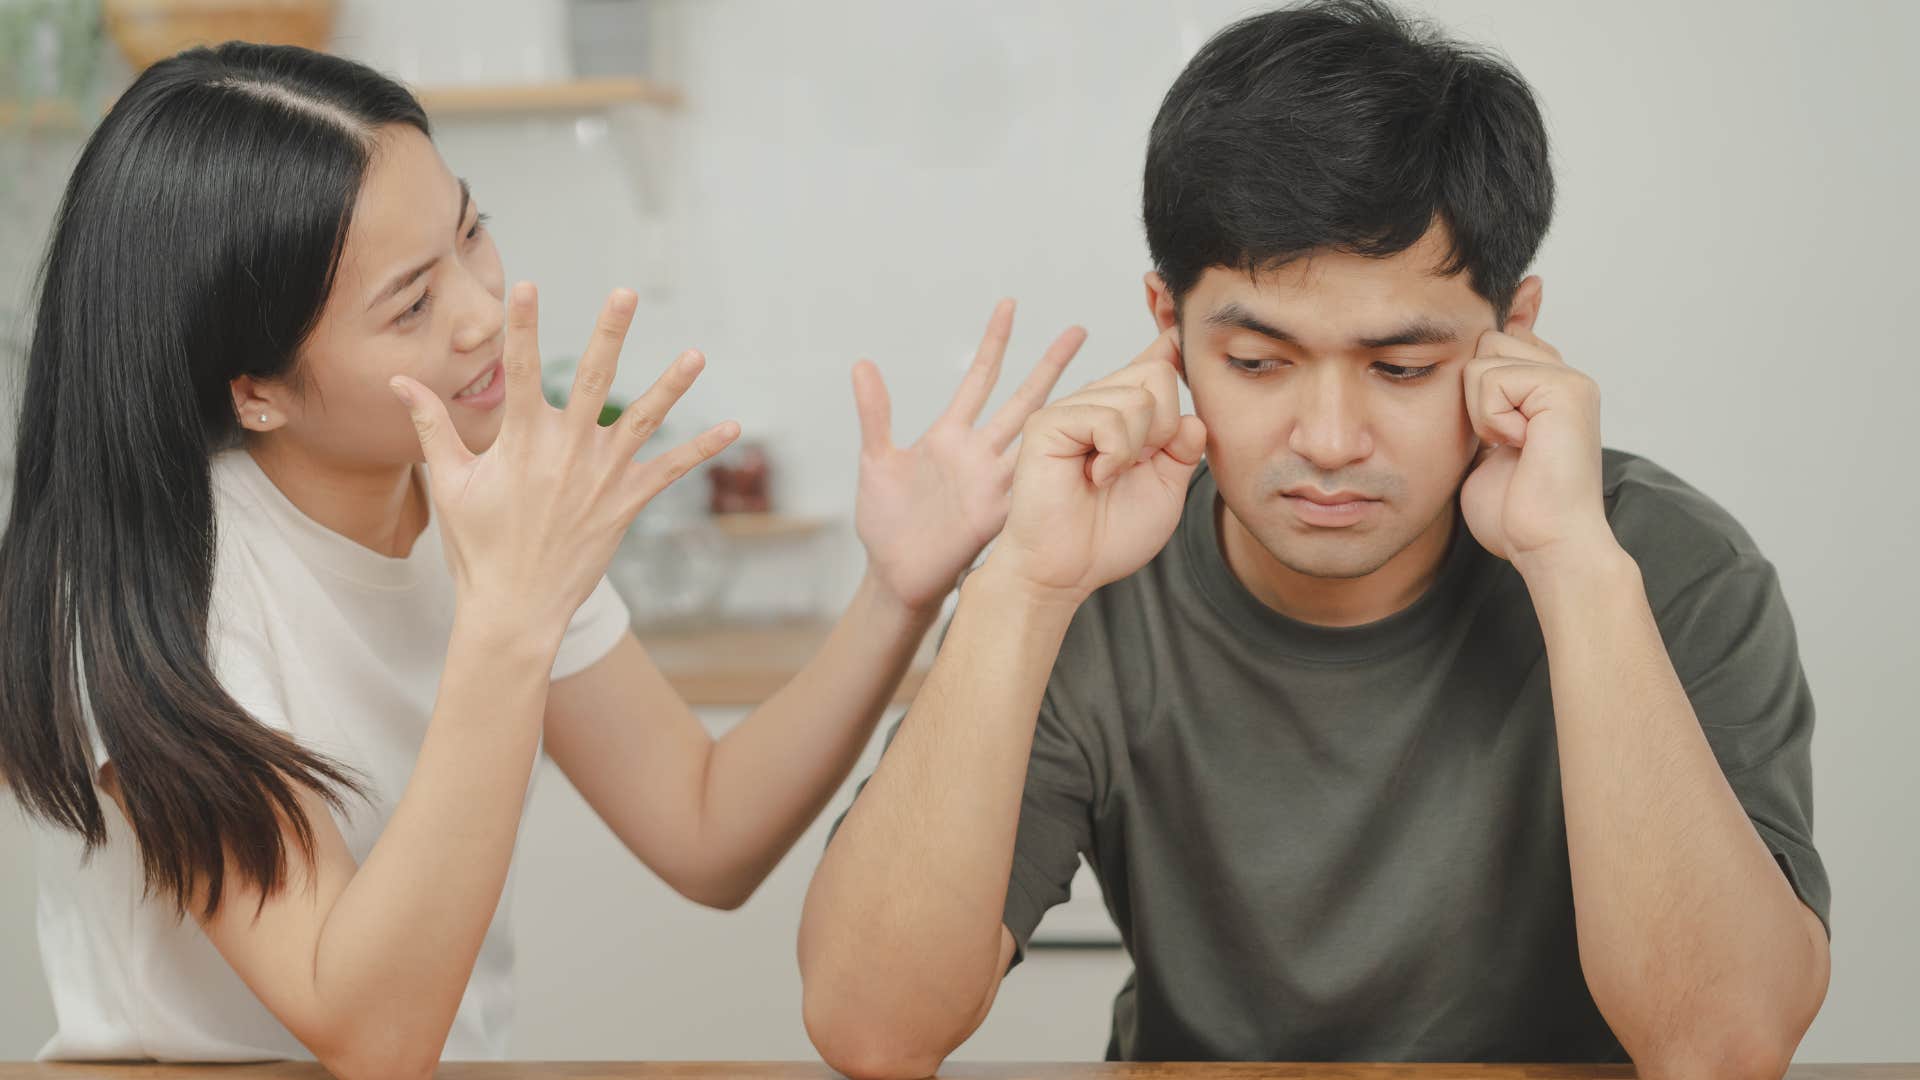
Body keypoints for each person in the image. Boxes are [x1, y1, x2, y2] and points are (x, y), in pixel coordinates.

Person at [0, 43, 1082, 1077]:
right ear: (256, 390)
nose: (487, 312)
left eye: (474, 233)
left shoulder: (474, 495)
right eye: (413, 302)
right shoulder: (159, 594)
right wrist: (511, 616)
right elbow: (369, 1035)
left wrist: (896, 592)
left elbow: (705, 828)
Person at [797, 3, 1830, 1077]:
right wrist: (1020, 583)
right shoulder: (1083, 569)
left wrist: (1573, 570)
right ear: (1169, 331)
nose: (1329, 443)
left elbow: (1721, 1047)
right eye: (1256, 362)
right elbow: (874, 1030)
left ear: (1515, 335)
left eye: (1402, 369)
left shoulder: (1667, 568)